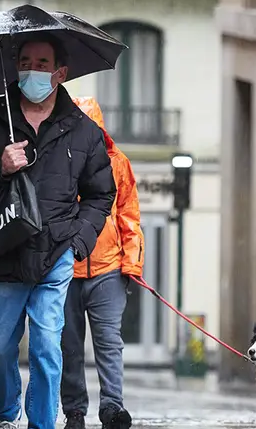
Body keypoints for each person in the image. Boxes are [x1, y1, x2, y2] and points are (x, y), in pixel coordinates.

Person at [0, 33, 116, 429]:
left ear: (61, 73)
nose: (32, 71)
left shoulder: (83, 131)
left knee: (46, 348)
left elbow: (100, 195)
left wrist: (78, 243)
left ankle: (41, 424)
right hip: (1, 253)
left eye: (42, 64)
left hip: (55, 254)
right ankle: (6, 414)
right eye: (25, 63)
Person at [60, 97, 144, 429]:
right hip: (65, 268)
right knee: (69, 345)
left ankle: (112, 407)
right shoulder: (57, 162)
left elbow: (129, 215)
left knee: (109, 342)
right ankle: (75, 412)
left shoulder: (118, 163)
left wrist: (132, 263)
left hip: (108, 270)